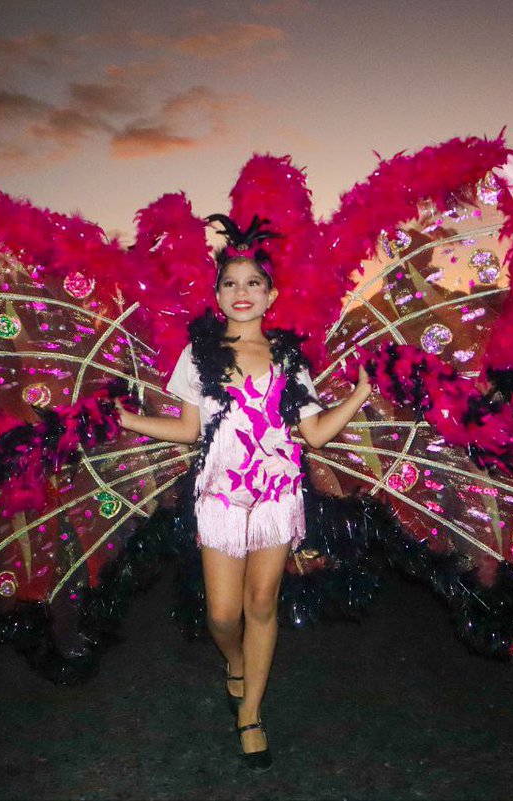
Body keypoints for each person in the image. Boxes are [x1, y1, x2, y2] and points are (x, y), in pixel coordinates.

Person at [118, 216, 372, 770]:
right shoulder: (198, 355)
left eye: (253, 283)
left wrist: (358, 396)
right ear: (216, 295)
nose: (242, 293)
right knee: (223, 614)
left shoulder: (289, 358)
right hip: (220, 500)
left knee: (262, 603)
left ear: (271, 294)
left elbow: (315, 432)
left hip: (279, 497)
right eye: (230, 284)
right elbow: (189, 430)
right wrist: (131, 420)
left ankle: (252, 711)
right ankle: (233, 659)